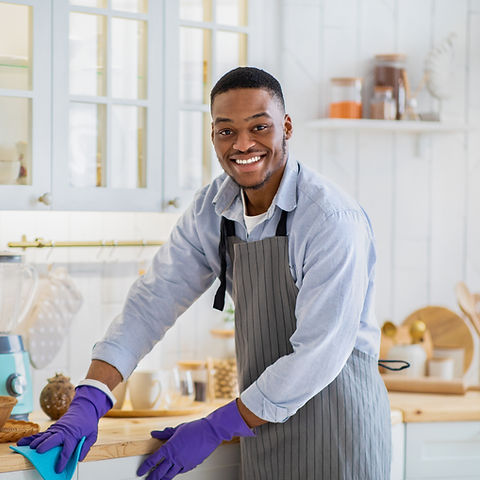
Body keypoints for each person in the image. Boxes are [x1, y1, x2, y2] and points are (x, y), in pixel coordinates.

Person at [18, 67, 391, 479]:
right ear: (212, 134)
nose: (243, 144)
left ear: (286, 127)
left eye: (259, 127)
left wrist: (217, 426)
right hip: (261, 430)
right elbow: (152, 302)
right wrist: (90, 398)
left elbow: (318, 354)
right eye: (226, 130)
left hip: (337, 432)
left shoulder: (330, 220)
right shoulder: (212, 210)